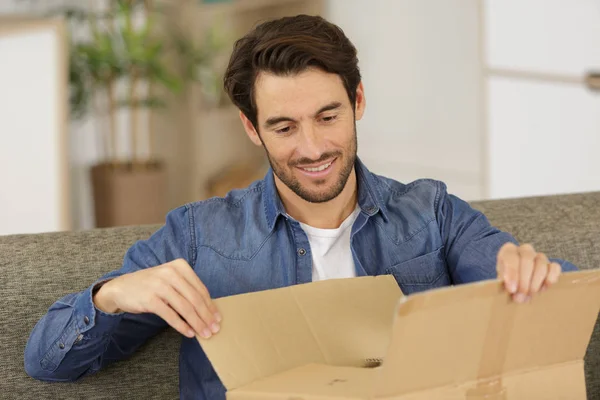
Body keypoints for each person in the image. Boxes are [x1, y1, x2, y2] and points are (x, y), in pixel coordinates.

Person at [24, 14, 576, 400]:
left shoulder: (432, 213)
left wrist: (536, 279)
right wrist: (113, 295)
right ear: (251, 127)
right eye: (283, 127)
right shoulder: (197, 236)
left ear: (358, 101)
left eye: (328, 116)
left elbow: (550, 295)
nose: (312, 148)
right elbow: (47, 362)